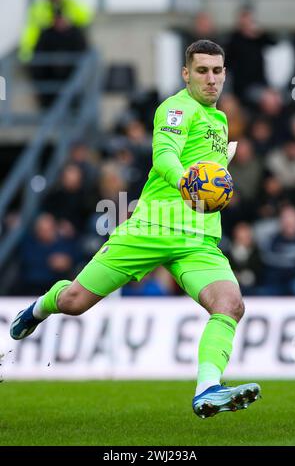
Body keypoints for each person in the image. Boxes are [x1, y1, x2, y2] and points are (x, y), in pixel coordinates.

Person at [10, 40, 261, 419]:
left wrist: (217, 191)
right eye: (202, 71)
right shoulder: (176, 108)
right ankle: (40, 307)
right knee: (74, 302)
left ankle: (208, 388)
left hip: (198, 239)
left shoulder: (221, 120)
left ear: (225, 73)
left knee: (230, 304)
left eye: (217, 71)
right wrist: (186, 181)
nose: (211, 79)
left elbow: (212, 177)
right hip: (151, 227)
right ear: (186, 74)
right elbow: (164, 157)